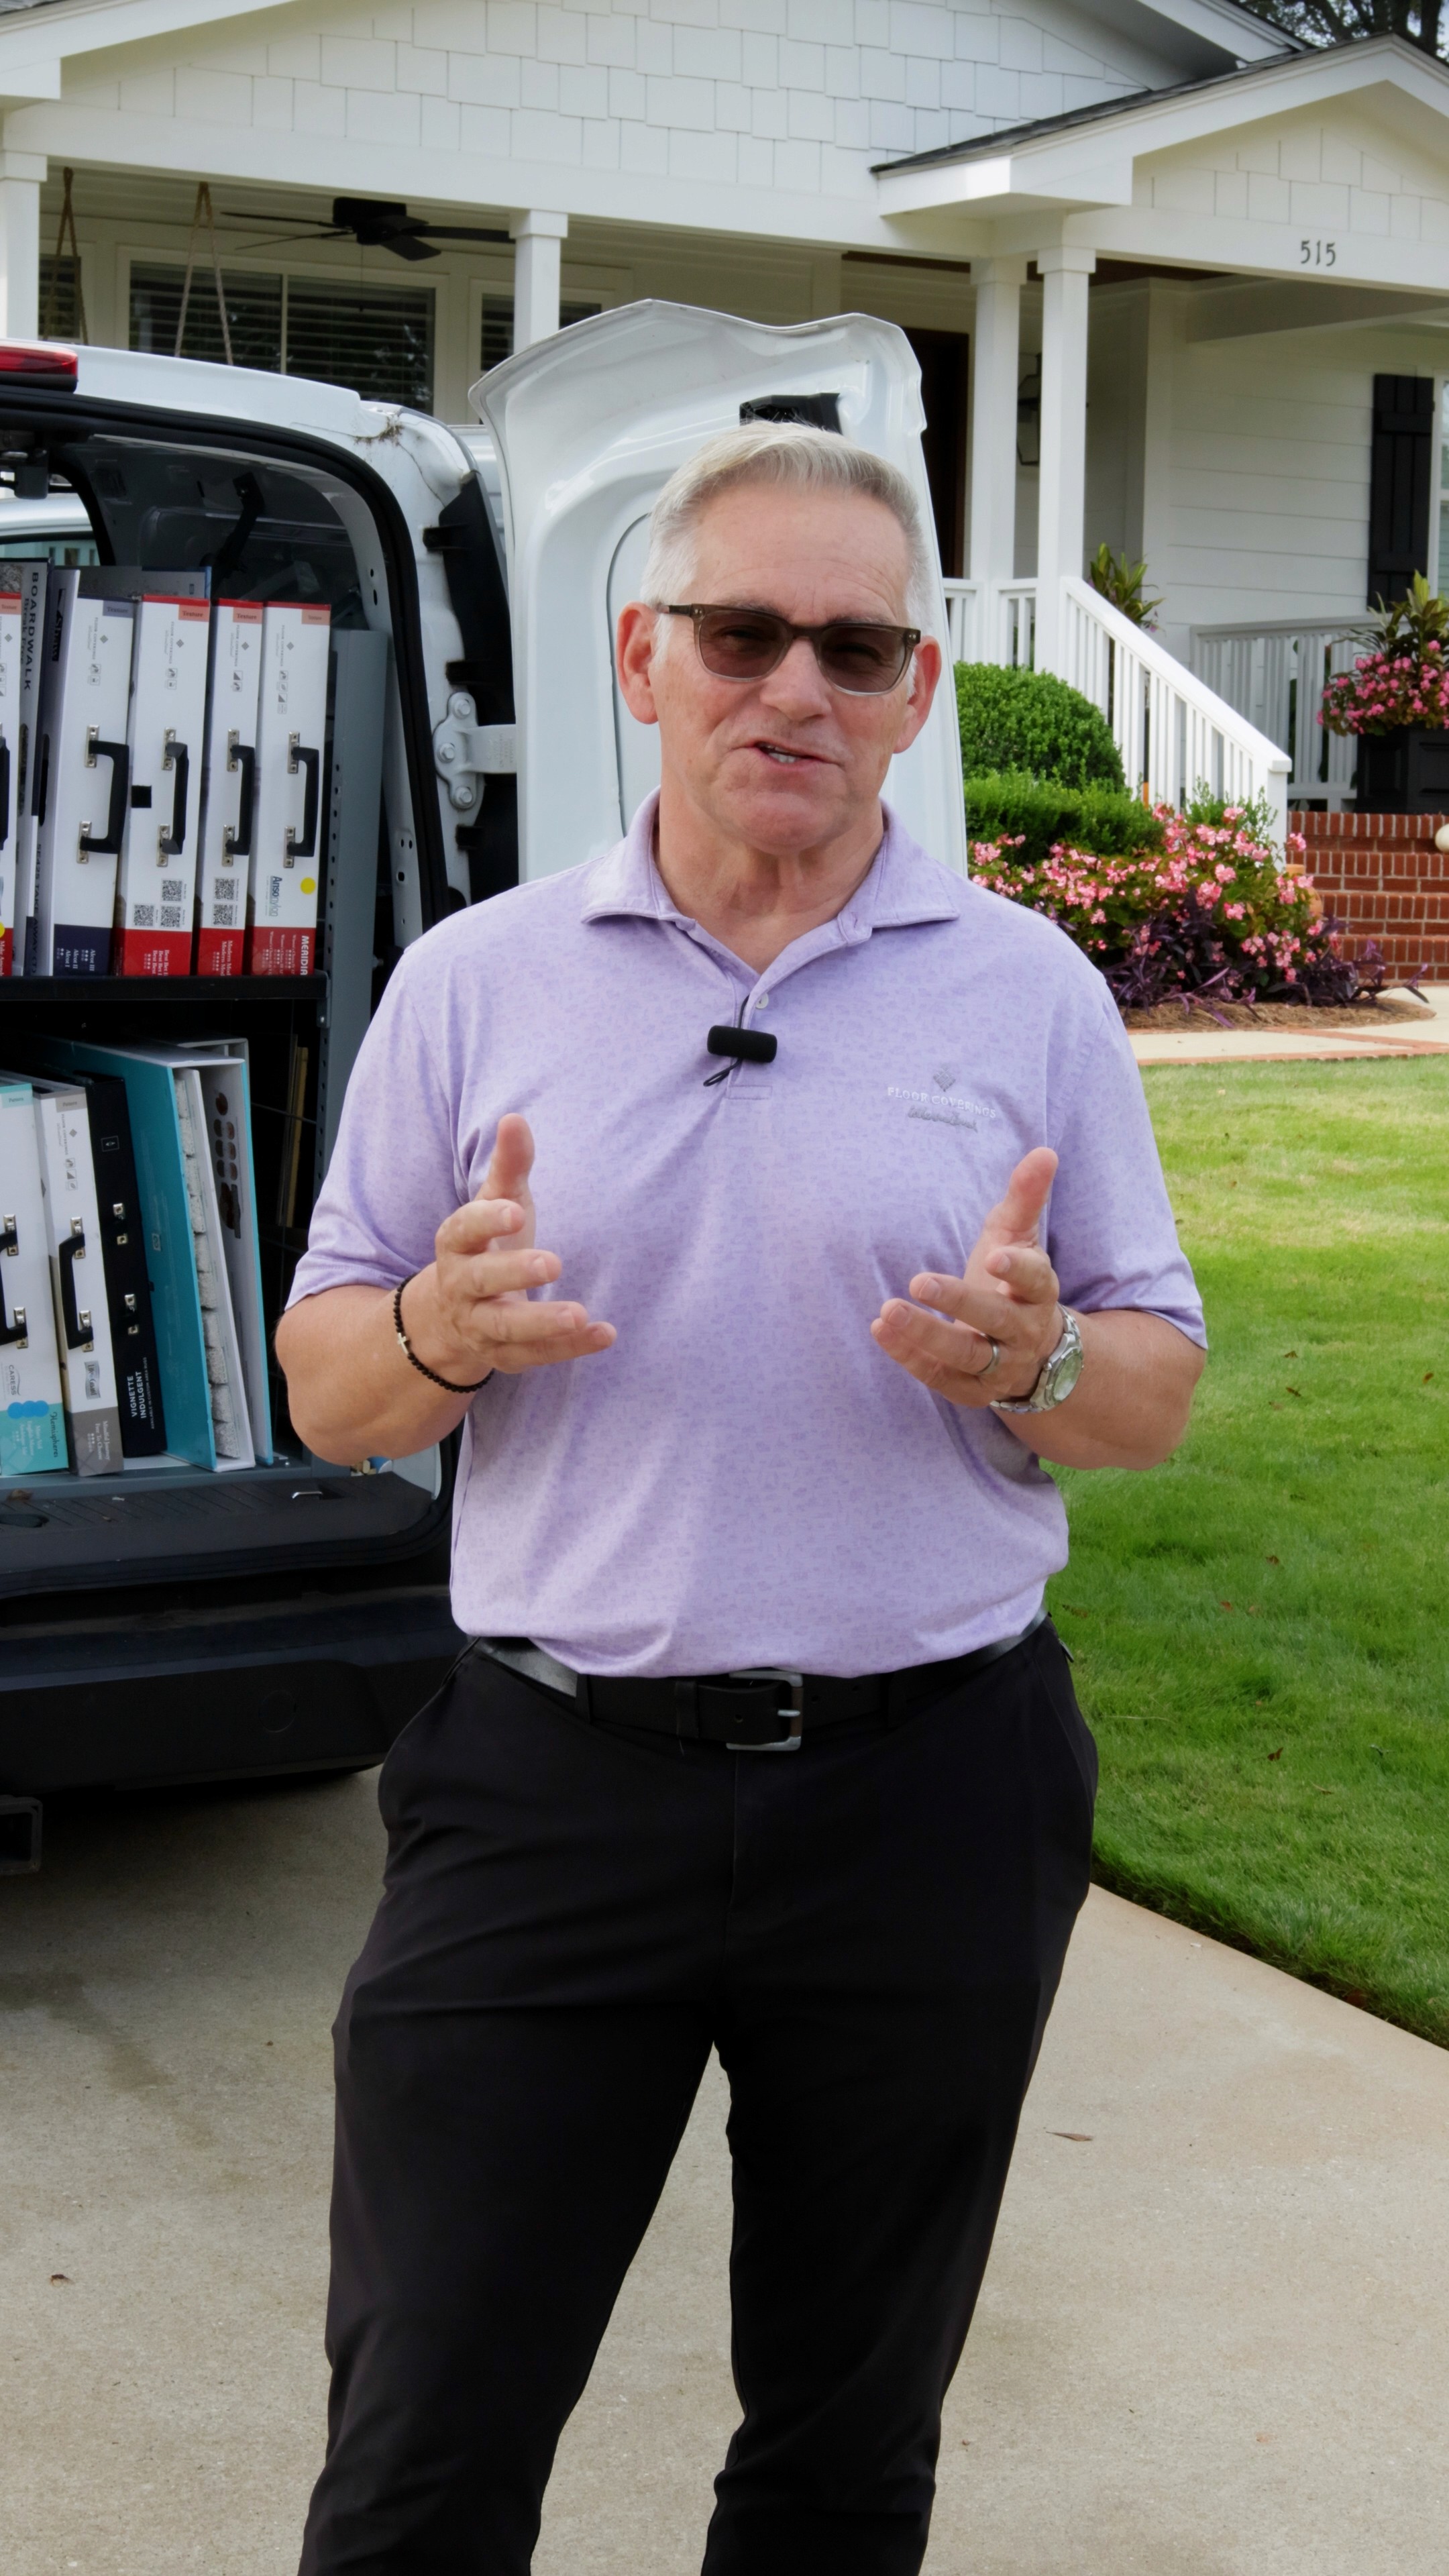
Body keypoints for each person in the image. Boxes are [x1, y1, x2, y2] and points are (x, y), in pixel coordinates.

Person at [278, 423, 1205, 2576]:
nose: (796, 686)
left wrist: (1039, 1360)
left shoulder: (1026, 991)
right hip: (551, 1786)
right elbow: (331, 1393)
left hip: (932, 1792)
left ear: (916, 692)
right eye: (744, 631)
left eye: (857, 644)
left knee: (846, 2443)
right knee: (426, 2427)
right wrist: (438, 1325)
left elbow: (1151, 1386)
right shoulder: (481, 979)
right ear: (644, 656)